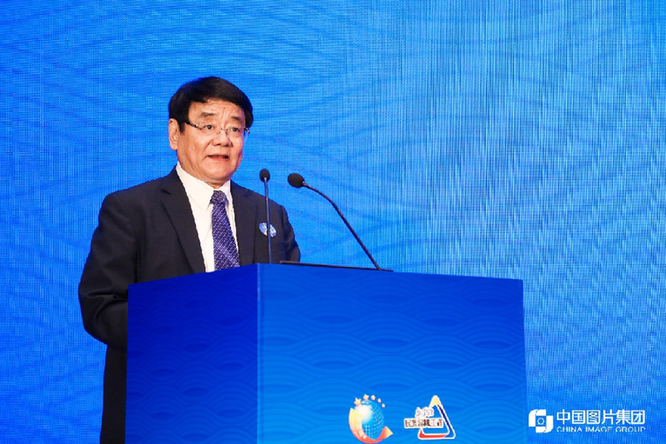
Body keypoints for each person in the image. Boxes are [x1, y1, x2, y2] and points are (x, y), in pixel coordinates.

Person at [79, 76, 300, 443]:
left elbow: (291, 304)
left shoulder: (269, 213)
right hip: (160, 407)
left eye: (235, 128)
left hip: (253, 409)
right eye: (208, 126)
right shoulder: (131, 210)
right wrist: (190, 328)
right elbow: (100, 306)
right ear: (175, 133)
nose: (223, 139)